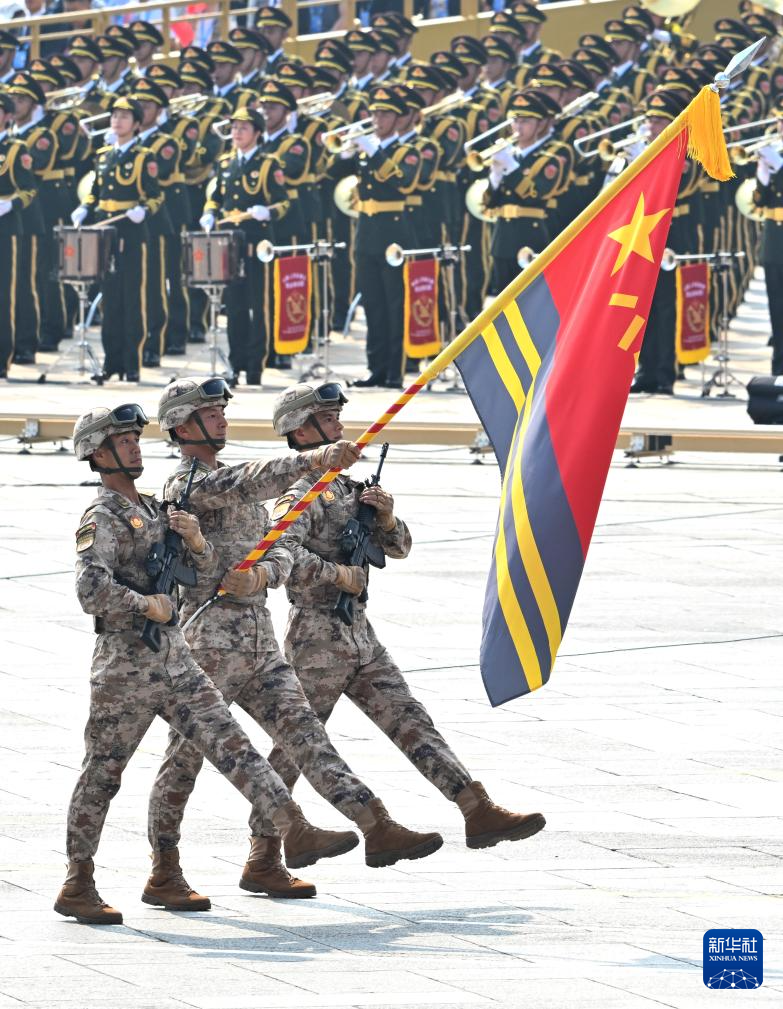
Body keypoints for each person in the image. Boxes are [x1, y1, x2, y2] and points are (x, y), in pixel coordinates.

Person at [57, 403, 366, 925]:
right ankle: (78, 880)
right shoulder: (101, 517)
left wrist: (198, 543)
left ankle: (292, 829)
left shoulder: (156, 508)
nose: (134, 447)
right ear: (99, 455)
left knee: (232, 744)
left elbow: (196, 571)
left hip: (175, 657)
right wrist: (143, 605)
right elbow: (90, 588)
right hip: (124, 667)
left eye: (134, 439)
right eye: (122, 442)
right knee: (104, 772)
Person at [147, 378, 444, 900]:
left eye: (221, 411)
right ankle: (164, 870)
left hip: (258, 637)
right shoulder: (188, 486)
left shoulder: (232, 485)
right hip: (209, 641)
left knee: (305, 734)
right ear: (182, 426)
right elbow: (250, 479)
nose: (222, 419)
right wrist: (316, 459)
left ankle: (374, 825)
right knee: (186, 757)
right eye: (210, 413)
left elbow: (277, 547)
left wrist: (265, 574)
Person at [268, 382, 547, 853]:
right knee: (299, 744)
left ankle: (475, 808)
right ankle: (264, 846)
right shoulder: (300, 494)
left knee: (409, 718)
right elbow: (279, 549)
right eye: (328, 419)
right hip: (316, 635)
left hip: (358, 631)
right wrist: (336, 574)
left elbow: (398, 549)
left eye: (336, 417)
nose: (339, 426)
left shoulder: (350, 489)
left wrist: (387, 520)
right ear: (301, 431)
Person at [71, 96, 162, 382]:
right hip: (105, 232)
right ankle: (111, 362)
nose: (117, 121)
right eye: (114, 116)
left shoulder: (143, 157)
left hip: (131, 232)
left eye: (124, 116)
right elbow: (95, 192)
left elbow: (156, 196)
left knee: (132, 298)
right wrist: (85, 207)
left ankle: (132, 363)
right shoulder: (103, 155)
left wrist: (143, 210)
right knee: (109, 300)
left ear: (136, 124)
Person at [0, 91, 37, 379]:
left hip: (5, 227)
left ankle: (2, 357)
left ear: (8, 116)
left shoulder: (15, 149)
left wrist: (10, 204)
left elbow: (29, 189)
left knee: (4, 294)